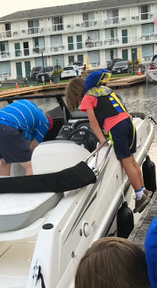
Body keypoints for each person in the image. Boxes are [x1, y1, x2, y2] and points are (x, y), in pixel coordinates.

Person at [65, 71, 151, 213]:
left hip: (117, 128)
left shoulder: (87, 98)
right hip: (128, 123)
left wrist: (103, 142)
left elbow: (93, 124)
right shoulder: (103, 90)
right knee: (132, 160)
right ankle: (143, 190)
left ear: (77, 95)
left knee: (126, 162)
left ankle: (139, 195)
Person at [0, 99, 53, 176]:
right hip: (5, 128)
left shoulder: (28, 106)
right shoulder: (45, 122)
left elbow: (21, 139)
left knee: (5, 162)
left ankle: (3, 188)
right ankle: (30, 188)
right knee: (31, 165)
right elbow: (33, 150)